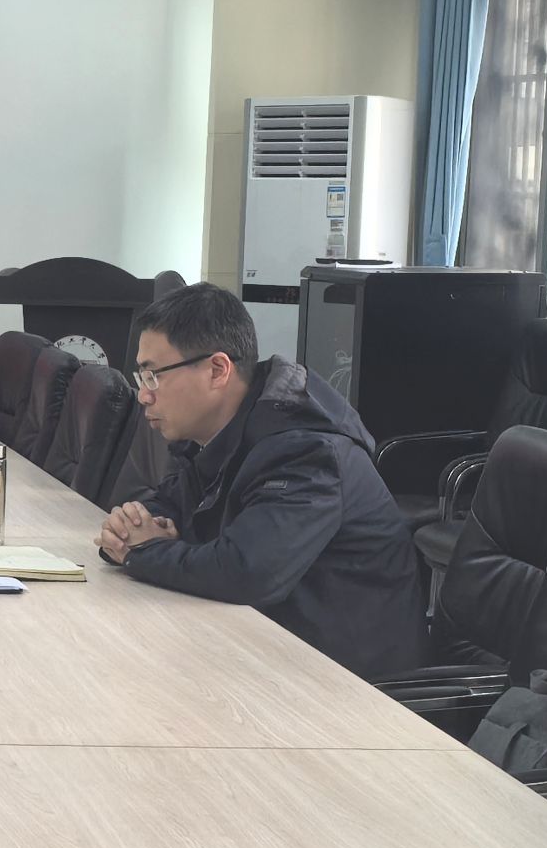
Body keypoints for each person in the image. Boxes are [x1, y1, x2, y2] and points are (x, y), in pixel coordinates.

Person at [95, 282, 427, 680]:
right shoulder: (217, 434)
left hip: (346, 684)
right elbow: (172, 505)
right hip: (263, 654)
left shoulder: (306, 452)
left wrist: (140, 551)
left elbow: (247, 572)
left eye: (153, 377)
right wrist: (130, 527)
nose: (143, 396)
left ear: (217, 370)